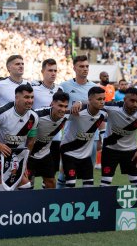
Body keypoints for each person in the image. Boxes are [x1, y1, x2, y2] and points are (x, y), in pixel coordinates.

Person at [57, 55, 98, 188]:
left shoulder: (94, 87)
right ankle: (58, 199)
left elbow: (100, 105)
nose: (85, 69)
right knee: (64, 173)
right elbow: (57, 106)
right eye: (81, 66)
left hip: (90, 136)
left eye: (87, 66)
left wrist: (82, 102)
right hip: (71, 136)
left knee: (88, 172)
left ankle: (85, 201)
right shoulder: (64, 86)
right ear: (74, 68)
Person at [0, 84, 39, 191]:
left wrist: (25, 161)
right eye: (26, 97)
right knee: (1, 188)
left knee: (26, 186)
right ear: (16, 97)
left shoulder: (34, 117)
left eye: (32, 97)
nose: (30, 100)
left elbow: (31, 140)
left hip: (17, 157)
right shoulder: (1, 113)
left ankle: (20, 208)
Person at [100, 87, 137, 186]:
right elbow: (94, 104)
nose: (135, 104)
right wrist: (79, 102)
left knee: (136, 182)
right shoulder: (112, 107)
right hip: (110, 149)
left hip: (131, 151)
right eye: (132, 100)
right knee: (105, 182)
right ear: (124, 99)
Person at [61, 87, 107, 188]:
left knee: (89, 185)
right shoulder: (77, 112)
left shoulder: (104, 112)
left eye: (104, 99)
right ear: (90, 100)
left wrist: (102, 137)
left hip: (86, 156)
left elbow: (102, 120)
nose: (102, 102)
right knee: (70, 184)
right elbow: (59, 114)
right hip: (69, 153)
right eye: (99, 99)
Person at [28, 92, 69, 189]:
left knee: (51, 182)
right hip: (30, 154)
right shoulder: (37, 115)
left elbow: (88, 107)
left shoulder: (66, 115)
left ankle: (48, 203)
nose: (63, 109)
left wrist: (79, 102)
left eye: (65, 106)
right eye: (60, 105)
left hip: (45, 153)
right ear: (52, 104)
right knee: (27, 184)